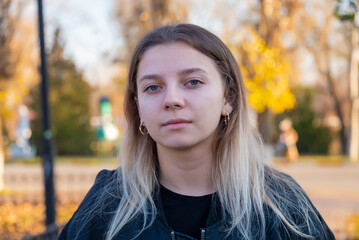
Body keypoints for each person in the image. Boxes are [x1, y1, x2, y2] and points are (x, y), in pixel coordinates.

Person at [59, 24, 335, 240]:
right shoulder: (107, 206)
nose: (172, 99)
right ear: (138, 108)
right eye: (152, 87)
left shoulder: (282, 205)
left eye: (192, 82)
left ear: (228, 98)